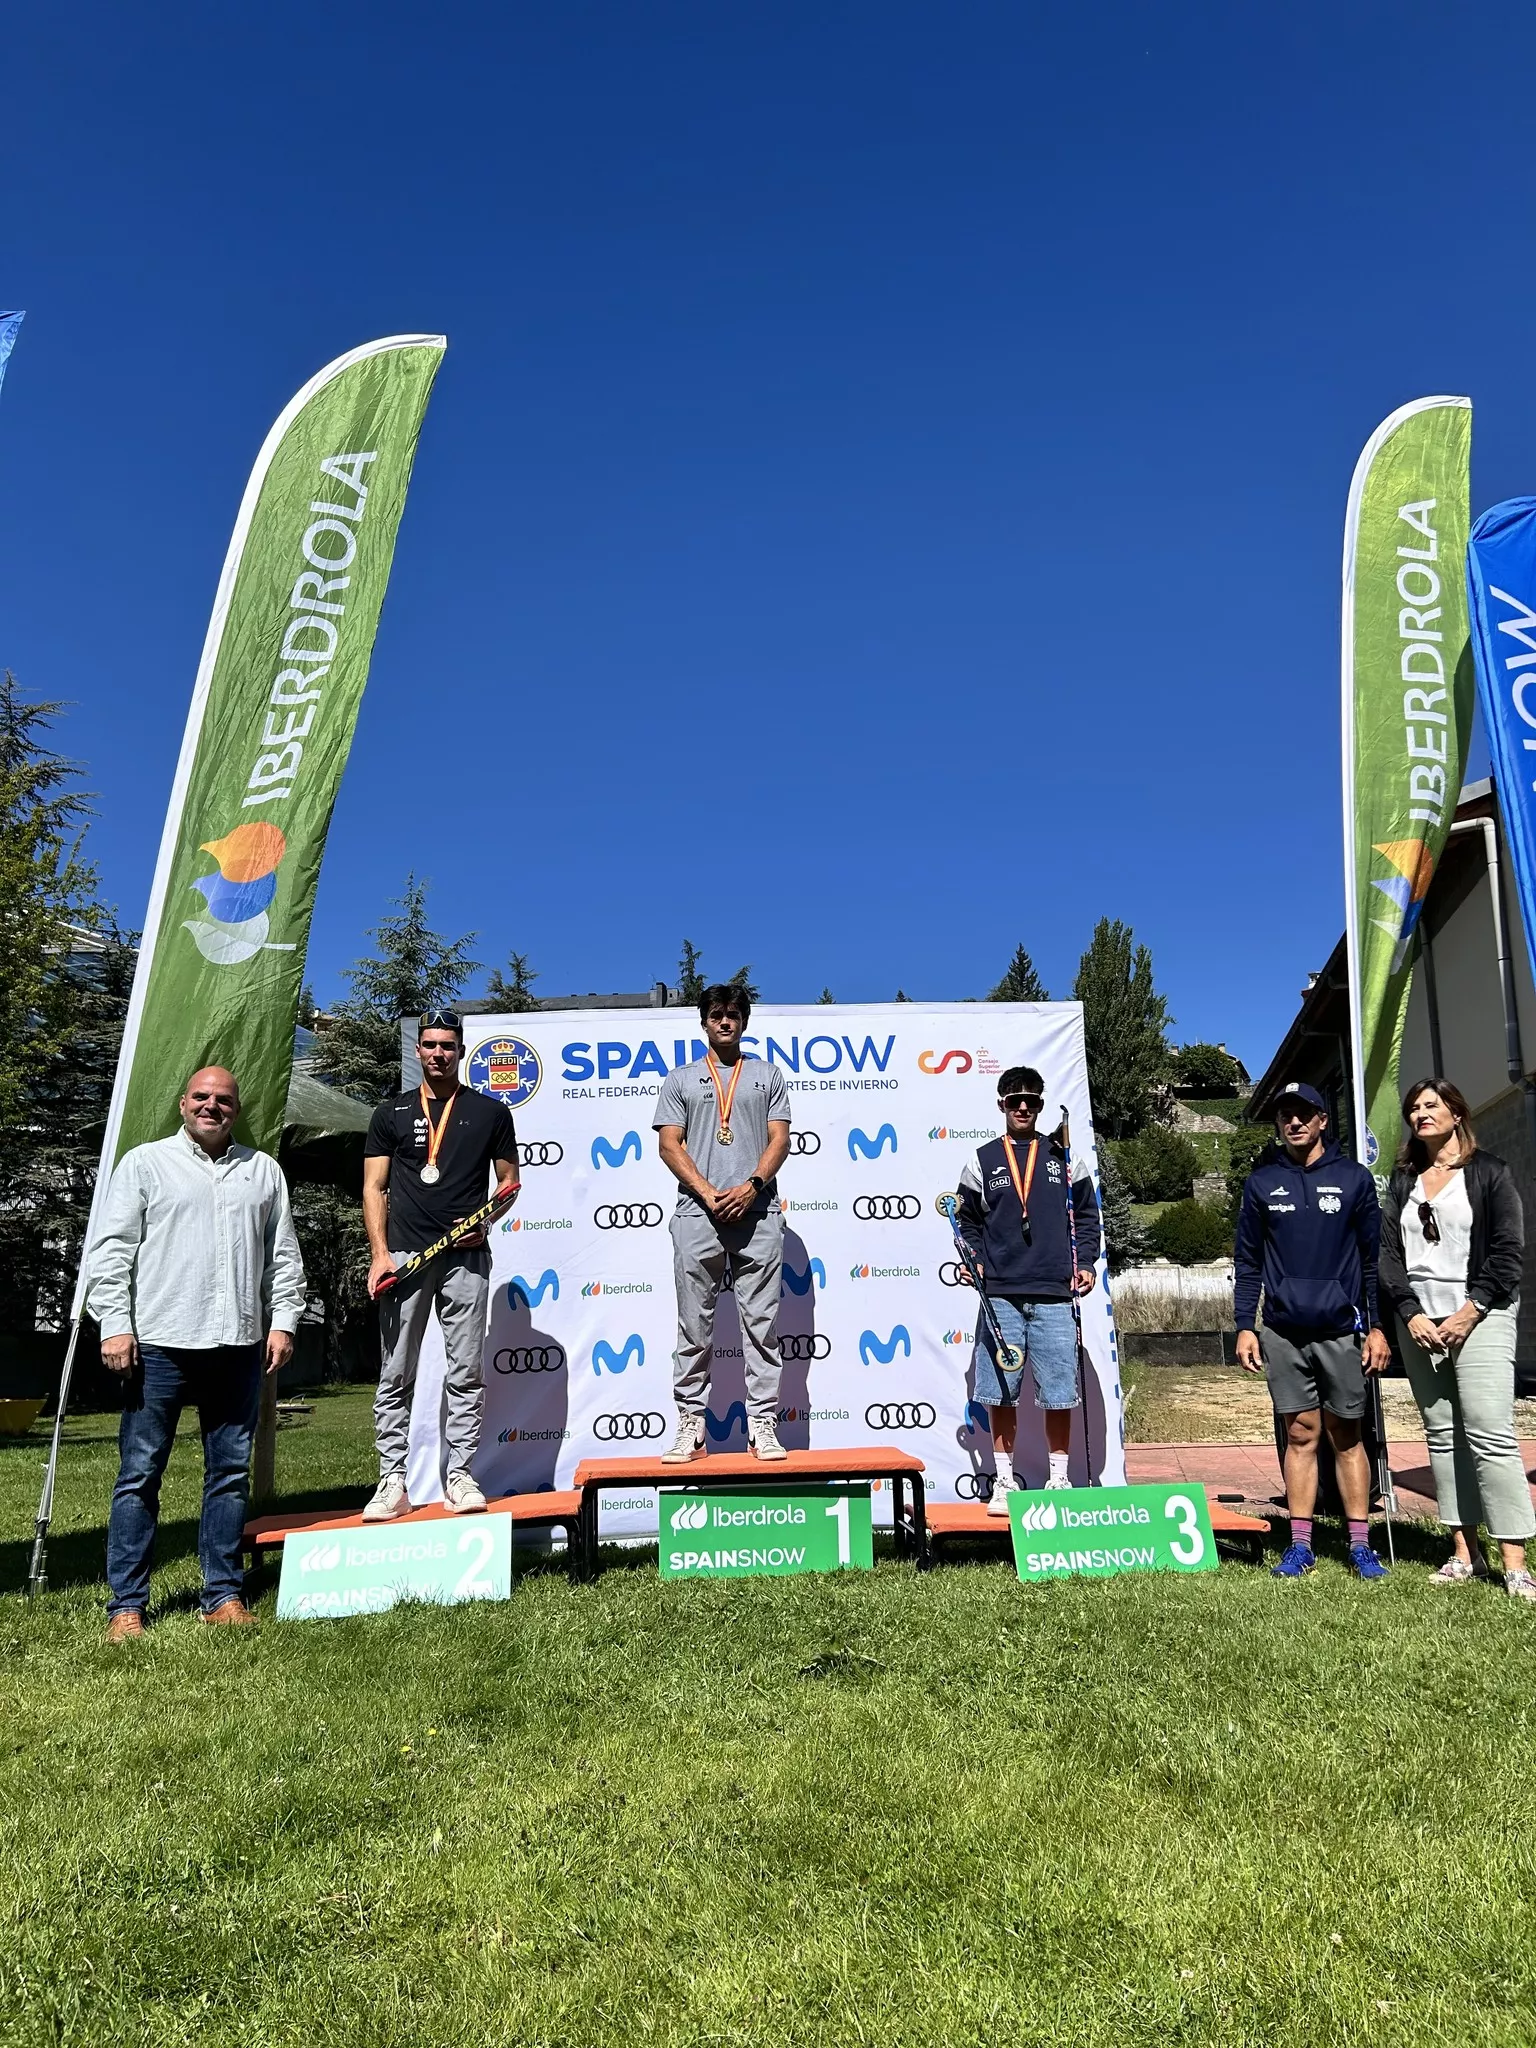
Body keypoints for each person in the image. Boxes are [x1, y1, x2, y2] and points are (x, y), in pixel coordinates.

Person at [87, 1066, 306, 1639]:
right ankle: (127, 1607)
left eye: (224, 1100)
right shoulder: (144, 1163)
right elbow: (111, 1252)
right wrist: (115, 1324)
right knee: (140, 1474)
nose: (212, 1107)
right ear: (183, 1103)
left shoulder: (263, 1172)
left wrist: (282, 1322)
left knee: (229, 1475)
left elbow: (282, 1256)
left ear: (237, 1108)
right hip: (158, 1343)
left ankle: (223, 1594)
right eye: (202, 1097)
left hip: (237, 1343)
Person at [1379, 1078, 1534, 1600]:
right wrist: (1408, 1312)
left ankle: (1515, 1562)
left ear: (1456, 1112)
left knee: (1490, 1433)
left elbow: (1509, 1250)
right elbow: (1388, 1257)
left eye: (1431, 1105)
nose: (1421, 1114)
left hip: (1481, 1314)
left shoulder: (1490, 1172)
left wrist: (1470, 1312)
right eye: (1414, 1109)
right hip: (1419, 1322)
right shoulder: (1403, 1179)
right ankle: (1464, 1553)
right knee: (1442, 1432)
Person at [362, 1007, 519, 1520]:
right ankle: (392, 1480)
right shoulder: (389, 1113)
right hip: (405, 1258)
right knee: (395, 1372)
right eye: (429, 1045)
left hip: (466, 1257)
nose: (438, 1053)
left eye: (447, 1046)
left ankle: (460, 1476)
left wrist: (488, 1219)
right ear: (418, 1050)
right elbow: (374, 1187)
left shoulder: (491, 1113)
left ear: (461, 1051)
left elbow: (509, 1184)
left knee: (466, 1371)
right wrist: (379, 1254)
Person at [1234, 1081, 1391, 1580]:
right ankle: (1300, 1545)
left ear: (1323, 1120)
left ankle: (1360, 1545)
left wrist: (1379, 1327)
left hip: (1343, 1330)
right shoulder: (1261, 1183)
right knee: (1300, 1434)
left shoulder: (1353, 1180)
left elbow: (1373, 1261)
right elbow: (1248, 1261)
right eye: (1286, 1115)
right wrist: (1244, 1326)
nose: (1294, 1122)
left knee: (1346, 1434)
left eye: (1305, 1114)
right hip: (1282, 1331)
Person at [653, 983, 792, 1463]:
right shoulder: (681, 1079)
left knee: (762, 1325)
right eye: (716, 1015)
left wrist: (751, 1186)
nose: (725, 1022)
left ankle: (763, 1425)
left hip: (757, 1210)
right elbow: (670, 1145)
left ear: (745, 1021)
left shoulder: (767, 1075)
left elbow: (779, 1141)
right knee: (694, 1326)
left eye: (734, 1014)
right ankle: (691, 1424)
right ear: (704, 1021)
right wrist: (711, 1194)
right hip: (698, 1212)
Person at [955, 1066, 1100, 1512]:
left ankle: (1060, 1480)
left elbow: (1088, 1215)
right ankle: (1004, 1482)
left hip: (1055, 1291)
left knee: (1059, 1389)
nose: (1023, 1106)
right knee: (1000, 1389)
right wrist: (975, 1260)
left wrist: (1088, 1263)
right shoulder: (981, 1159)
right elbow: (966, 1221)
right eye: (1014, 1099)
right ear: (1001, 1103)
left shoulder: (1064, 1155)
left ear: (1040, 1104)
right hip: (999, 1294)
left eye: (1031, 1100)